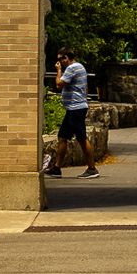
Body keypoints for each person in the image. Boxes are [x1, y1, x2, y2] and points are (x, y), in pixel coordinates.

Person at [45, 49, 99, 178]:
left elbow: (59, 84)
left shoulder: (72, 68)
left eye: (61, 59)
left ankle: (92, 168)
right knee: (63, 136)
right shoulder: (79, 66)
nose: (60, 62)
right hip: (73, 108)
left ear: (67, 58)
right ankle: (57, 168)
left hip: (76, 108)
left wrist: (58, 71)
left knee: (81, 138)